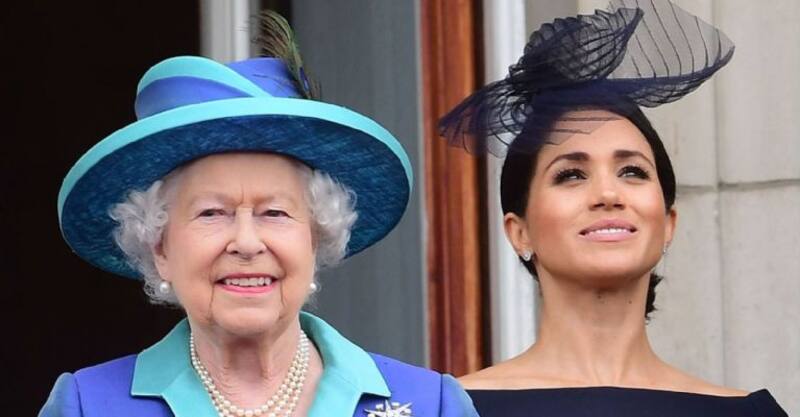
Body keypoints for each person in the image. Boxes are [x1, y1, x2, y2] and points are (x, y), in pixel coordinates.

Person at [40, 11, 477, 417]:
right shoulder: (87, 405)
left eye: (275, 212)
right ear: (160, 249)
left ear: (316, 238)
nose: (247, 243)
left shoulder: (431, 403)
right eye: (212, 213)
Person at [438, 0, 788, 416]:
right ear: (519, 232)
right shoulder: (447, 407)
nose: (608, 193)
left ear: (668, 222)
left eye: (632, 172)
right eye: (571, 174)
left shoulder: (750, 414)